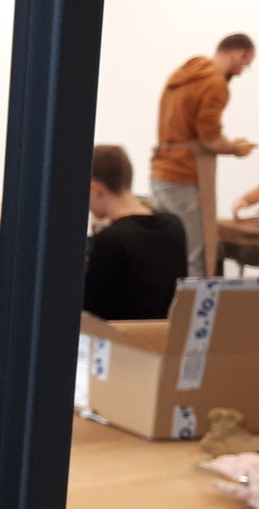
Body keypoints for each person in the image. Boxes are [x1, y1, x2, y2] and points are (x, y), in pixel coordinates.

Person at [149, 33, 256, 277]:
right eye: (247, 64)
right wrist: (235, 148)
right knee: (196, 257)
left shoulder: (184, 73)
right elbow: (209, 137)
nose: (242, 71)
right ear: (239, 55)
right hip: (185, 175)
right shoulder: (214, 83)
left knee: (167, 251)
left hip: (161, 172)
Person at [84, 144, 187, 320]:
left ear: (95, 188)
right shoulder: (174, 226)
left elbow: (91, 313)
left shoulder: (110, 240)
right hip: (161, 334)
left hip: (119, 336)